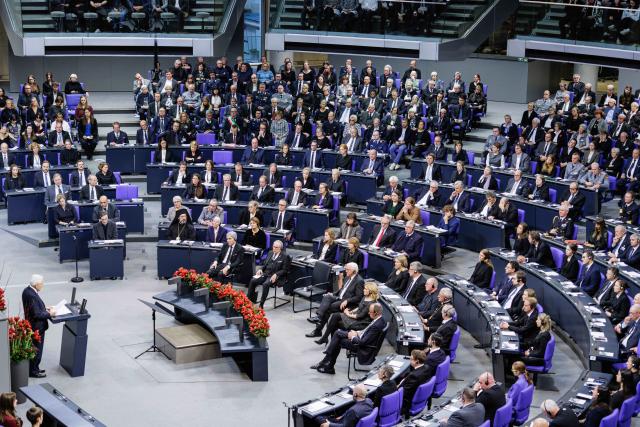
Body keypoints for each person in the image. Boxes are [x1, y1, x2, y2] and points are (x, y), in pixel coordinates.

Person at [311, 303, 387, 375]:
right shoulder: (380, 320)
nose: (368, 313)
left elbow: (362, 342)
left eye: (370, 312)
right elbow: (366, 332)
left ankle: (327, 361)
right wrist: (356, 332)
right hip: (360, 337)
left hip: (363, 348)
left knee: (338, 339)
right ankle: (328, 363)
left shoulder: (377, 325)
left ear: (376, 313)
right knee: (338, 333)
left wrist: (352, 337)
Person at [306, 262, 364, 338]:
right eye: (345, 269)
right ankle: (319, 317)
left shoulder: (359, 281)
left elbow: (359, 297)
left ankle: (318, 330)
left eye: (347, 269)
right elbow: (342, 290)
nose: (345, 271)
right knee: (327, 297)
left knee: (329, 308)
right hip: (339, 297)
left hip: (348, 303)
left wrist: (347, 301)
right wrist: (333, 294)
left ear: (353, 271)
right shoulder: (347, 277)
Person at [22, 274, 55, 378]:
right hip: (36, 327)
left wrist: (45, 309)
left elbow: (34, 308)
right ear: (36, 285)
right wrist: (50, 314)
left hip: (33, 325)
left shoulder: (27, 290)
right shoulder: (31, 295)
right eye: (41, 284)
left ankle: (35, 368)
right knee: (37, 349)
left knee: (35, 349)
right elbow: (36, 314)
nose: (42, 285)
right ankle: (33, 371)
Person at [398, 347, 442, 416]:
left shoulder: (414, 376)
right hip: (420, 399)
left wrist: (397, 386)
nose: (410, 360)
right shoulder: (427, 368)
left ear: (417, 361)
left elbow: (403, 393)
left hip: (406, 403)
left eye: (411, 359)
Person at [247, 240, 290, 308]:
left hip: (275, 276)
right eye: (273, 246)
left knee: (265, 284)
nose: (274, 248)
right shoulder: (270, 253)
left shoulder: (285, 256)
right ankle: (248, 300)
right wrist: (261, 269)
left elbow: (285, 270)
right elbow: (265, 264)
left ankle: (261, 304)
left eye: (276, 247)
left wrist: (276, 274)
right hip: (266, 274)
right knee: (253, 280)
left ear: (280, 248)